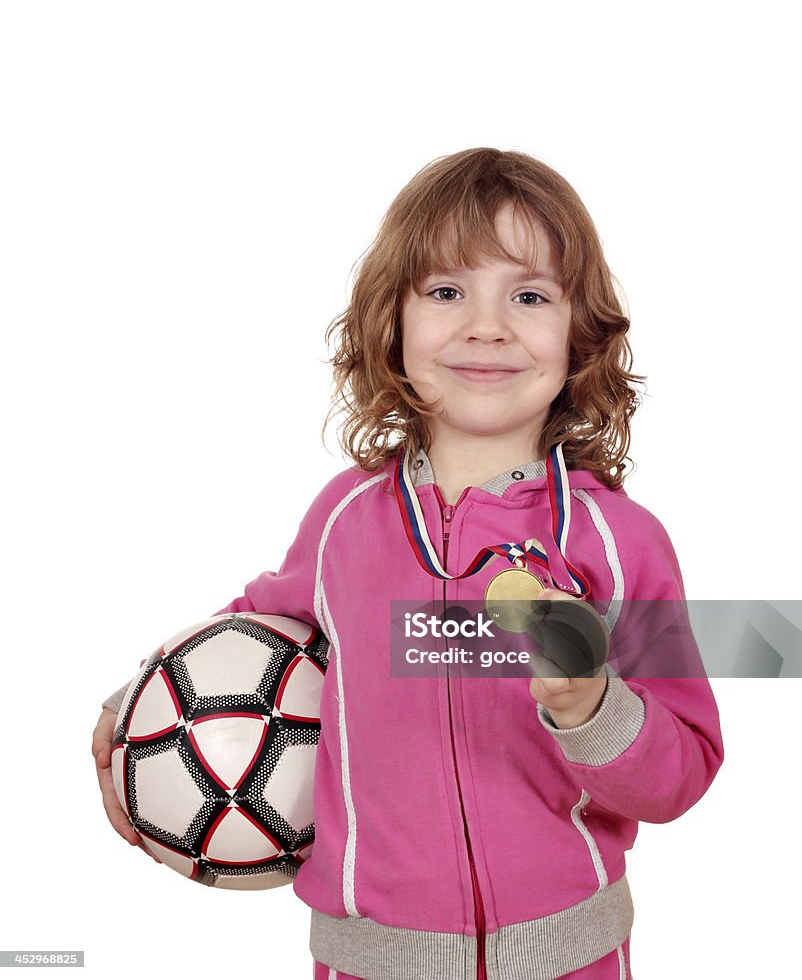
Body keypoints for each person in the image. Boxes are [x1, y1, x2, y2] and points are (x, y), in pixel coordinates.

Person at [92, 147, 724, 979]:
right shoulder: (343, 522)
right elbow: (256, 623)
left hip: (570, 959)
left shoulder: (622, 543)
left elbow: (682, 772)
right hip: (365, 961)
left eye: (529, 295)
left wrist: (592, 705)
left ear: (583, 335)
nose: (486, 325)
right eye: (446, 291)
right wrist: (139, 706)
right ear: (390, 323)